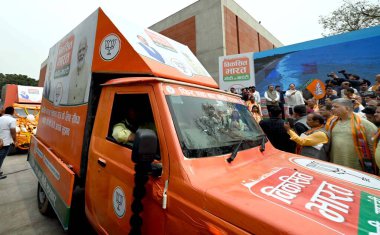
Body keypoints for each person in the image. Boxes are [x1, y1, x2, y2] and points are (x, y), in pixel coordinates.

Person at [330, 98, 378, 174]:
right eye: (332, 107)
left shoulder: (365, 124)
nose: (332, 109)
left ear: (347, 108)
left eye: (336, 107)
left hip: (356, 167)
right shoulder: (332, 122)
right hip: (336, 164)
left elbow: (374, 147)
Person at [67, 37, 91, 105]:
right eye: (79, 51)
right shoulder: (72, 74)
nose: (81, 54)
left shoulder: (89, 71)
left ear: (86, 49)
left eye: (83, 49)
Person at [0, 107, 17, 180]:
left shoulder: (1, 118)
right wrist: (15, 141)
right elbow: (13, 131)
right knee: (1, 157)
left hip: (0, 140)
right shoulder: (12, 120)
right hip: (5, 142)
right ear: (12, 112)